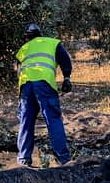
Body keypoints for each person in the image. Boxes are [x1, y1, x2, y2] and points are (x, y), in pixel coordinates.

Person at [15, 23, 73, 167]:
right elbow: (65, 60)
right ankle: (63, 159)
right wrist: (66, 78)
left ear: (27, 37)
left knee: (26, 121)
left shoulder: (23, 49)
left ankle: (24, 160)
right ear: (40, 34)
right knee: (53, 119)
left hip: (26, 86)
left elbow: (18, 70)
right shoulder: (53, 43)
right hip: (45, 84)